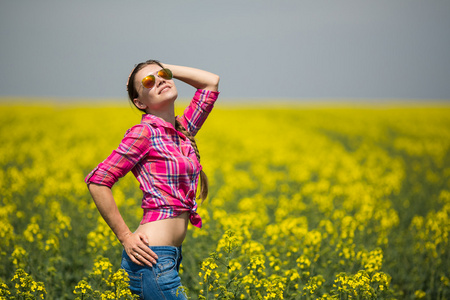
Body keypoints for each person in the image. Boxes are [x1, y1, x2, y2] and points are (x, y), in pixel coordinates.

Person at [85, 60, 220, 299]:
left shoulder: (182, 130)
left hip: (169, 256)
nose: (159, 80)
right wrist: (125, 236)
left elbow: (211, 82)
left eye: (163, 75)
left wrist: (161, 65)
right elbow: (98, 180)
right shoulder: (144, 133)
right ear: (139, 103)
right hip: (152, 258)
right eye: (148, 82)